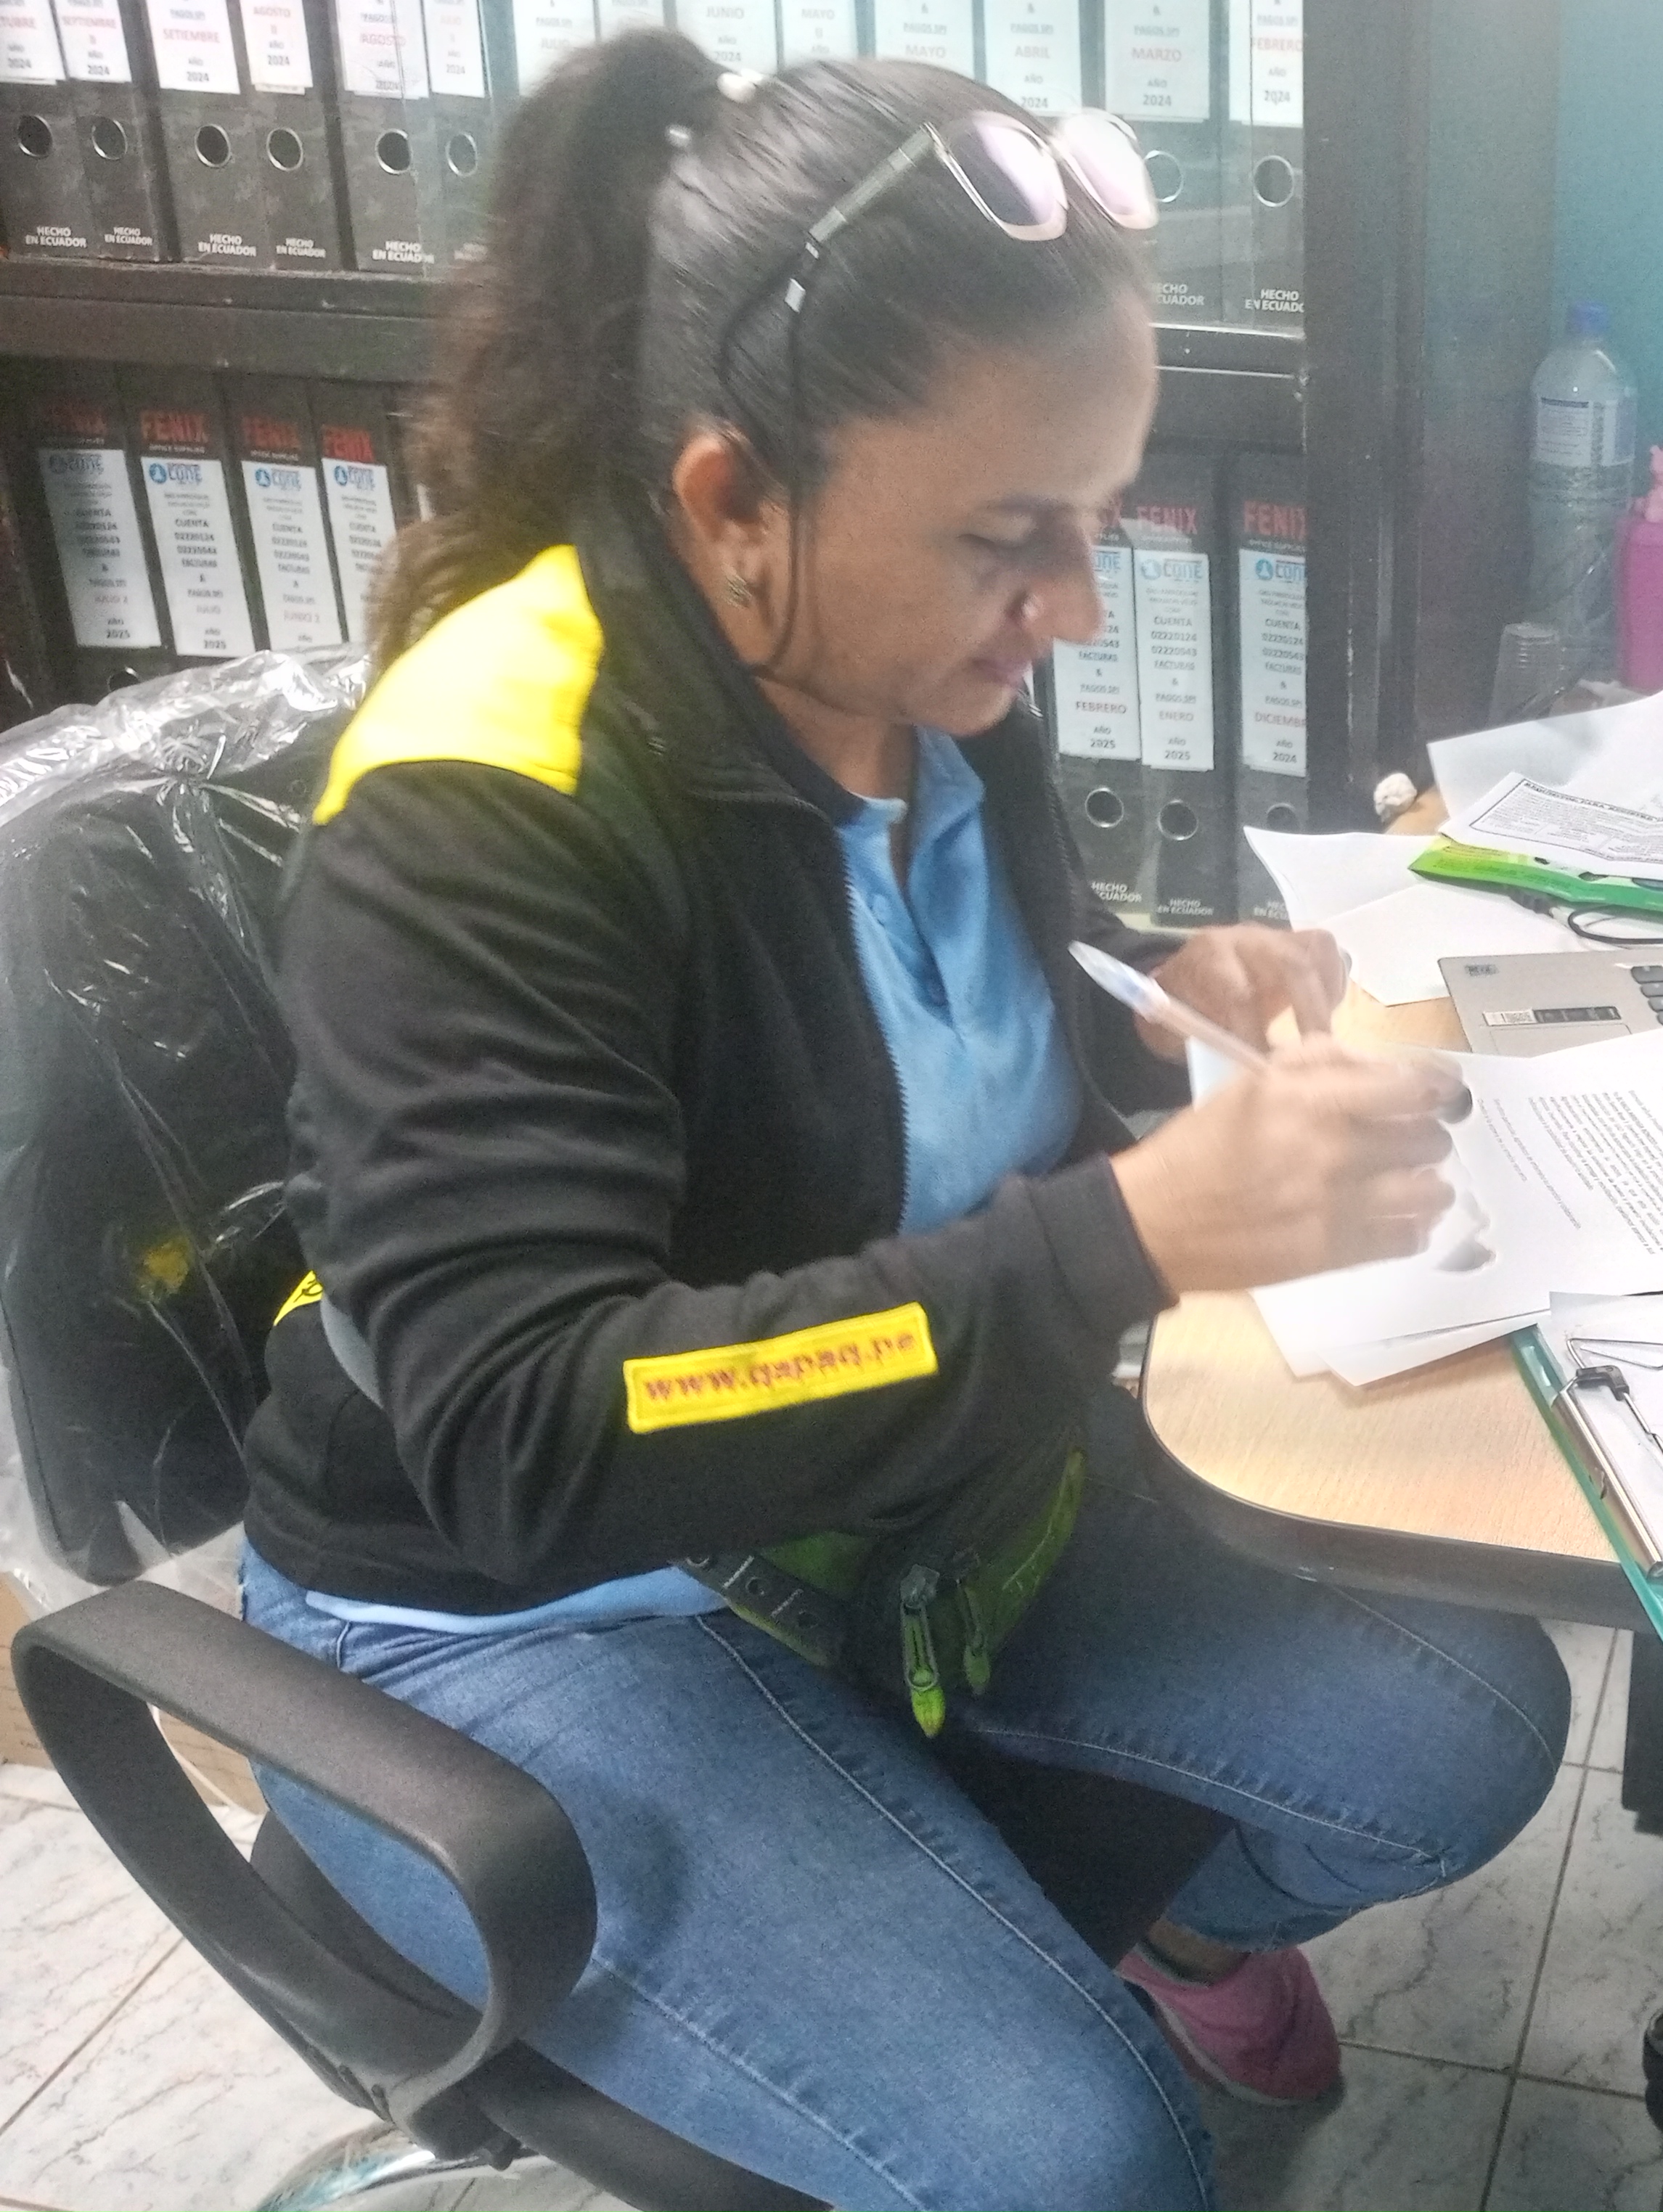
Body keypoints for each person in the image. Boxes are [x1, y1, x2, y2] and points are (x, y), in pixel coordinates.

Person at [232, 32, 1568, 2211]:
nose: (1077, 608)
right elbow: (525, 1436)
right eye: (1011, 540)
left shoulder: (906, 662)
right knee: (1078, 2160)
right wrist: (1130, 1237)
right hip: (528, 1605)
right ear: (733, 507)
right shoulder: (489, 804)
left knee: (1465, 1731)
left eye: (1097, 522)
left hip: (882, 1505)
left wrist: (1156, 1008)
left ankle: (1126, 1940)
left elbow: (898, 1022)